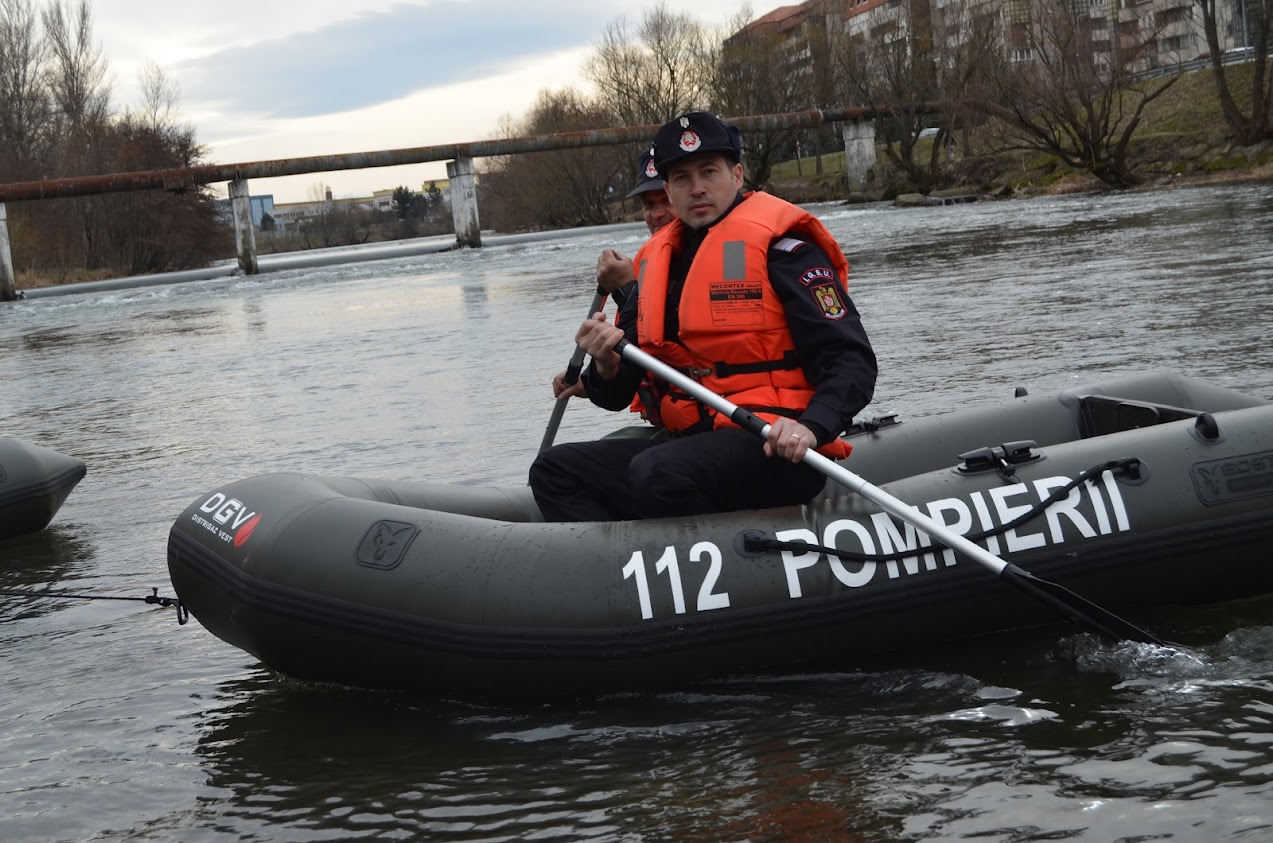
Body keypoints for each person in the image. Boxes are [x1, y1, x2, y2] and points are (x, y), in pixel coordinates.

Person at [530, 112, 876, 521]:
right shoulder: (656, 267)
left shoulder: (785, 254)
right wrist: (606, 363)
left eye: (708, 172)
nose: (697, 189)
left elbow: (851, 360)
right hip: (696, 440)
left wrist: (811, 427)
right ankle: (624, 575)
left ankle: (735, 565)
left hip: (775, 442)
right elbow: (617, 393)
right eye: (681, 179)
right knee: (553, 470)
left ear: (737, 176)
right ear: (669, 191)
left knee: (656, 473)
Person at [553, 147, 675, 401]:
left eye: (667, 200)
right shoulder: (646, 264)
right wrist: (593, 377)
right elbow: (620, 390)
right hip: (671, 419)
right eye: (648, 204)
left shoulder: (719, 260)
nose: (657, 213)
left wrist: (628, 290)